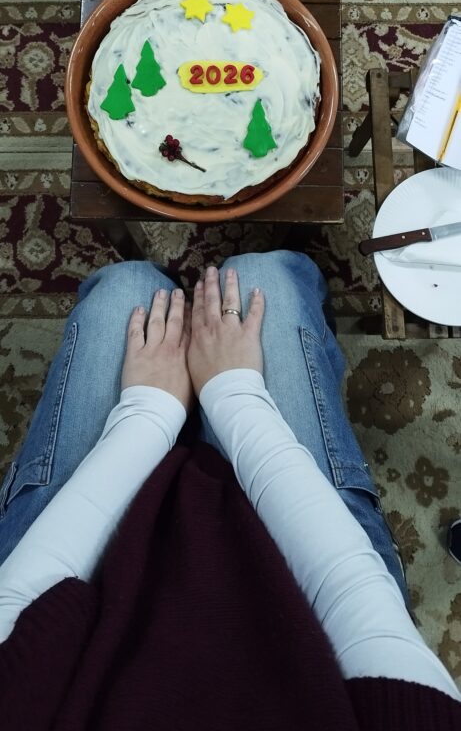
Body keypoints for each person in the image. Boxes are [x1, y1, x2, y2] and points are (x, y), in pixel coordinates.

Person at [0, 251, 459, 730]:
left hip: (70, 575)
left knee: (126, 289)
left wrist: (149, 410)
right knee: (266, 279)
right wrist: (233, 391)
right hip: (313, 584)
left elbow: (22, 614)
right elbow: (359, 603)